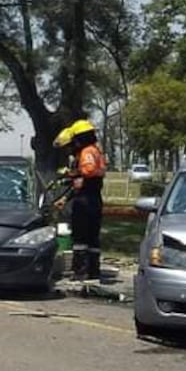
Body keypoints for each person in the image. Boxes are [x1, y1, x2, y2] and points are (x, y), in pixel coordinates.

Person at [67, 119, 106, 281]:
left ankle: (80, 271)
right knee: (93, 237)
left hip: (84, 200)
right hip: (95, 198)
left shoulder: (87, 153)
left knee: (81, 236)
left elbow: (88, 171)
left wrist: (74, 173)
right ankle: (93, 270)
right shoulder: (97, 151)